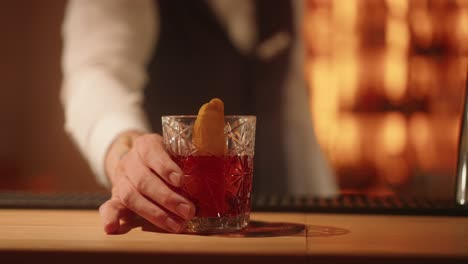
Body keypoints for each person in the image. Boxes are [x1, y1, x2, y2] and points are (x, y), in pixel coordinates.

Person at [61, 0, 337, 234]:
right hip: (182, 230)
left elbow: (292, 110)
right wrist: (127, 153)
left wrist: (324, 203)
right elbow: (95, 73)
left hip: (281, 227)